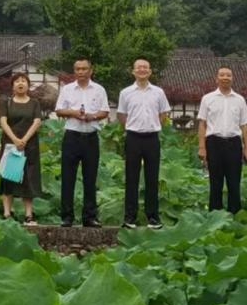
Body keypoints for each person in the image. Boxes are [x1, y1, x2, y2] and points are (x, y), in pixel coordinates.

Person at [116, 58, 171, 229]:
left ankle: (153, 217)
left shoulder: (158, 92)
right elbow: (121, 115)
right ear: (133, 71)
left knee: (152, 178)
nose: (142, 70)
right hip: (133, 137)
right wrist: (131, 128)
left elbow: (163, 113)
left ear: (150, 71)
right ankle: (130, 217)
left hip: (152, 138)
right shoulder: (125, 93)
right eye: (138, 67)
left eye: (145, 67)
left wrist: (154, 126)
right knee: (131, 178)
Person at [54, 58, 110, 227]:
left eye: (84, 69)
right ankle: (67, 216)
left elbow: (105, 111)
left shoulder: (99, 90)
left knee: (90, 178)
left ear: (91, 70)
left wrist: (92, 116)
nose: (81, 72)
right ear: (74, 71)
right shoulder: (67, 89)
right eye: (78, 69)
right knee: (68, 178)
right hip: (72, 136)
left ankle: (90, 216)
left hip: (91, 137)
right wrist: (73, 112)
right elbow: (58, 110)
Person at [197, 66, 247, 214]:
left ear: (232, 79)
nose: (225, 77)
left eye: (228, 75)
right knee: (215, 181)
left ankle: (235, 213)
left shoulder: (239, 100)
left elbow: (245, 125)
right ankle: (215, 214)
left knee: (234, 181)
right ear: (217, 78)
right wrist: (202, 147)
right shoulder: (207, 99)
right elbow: (202, 124)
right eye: (222, 75)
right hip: (214, 143)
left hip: (234, 143)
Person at [0, 72, 43, 224]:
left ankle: (29, 214)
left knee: (28, 179)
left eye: (23, 81)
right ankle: (6, 213)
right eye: (17, 81)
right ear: (12, 86)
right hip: (11, 145)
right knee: (8, 178)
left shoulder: (34, 103)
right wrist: (16, 140)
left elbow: (37, 122)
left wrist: (23, 139)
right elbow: (3, 122)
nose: (20, 83)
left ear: (28, 85)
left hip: (29, 145)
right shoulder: (6, 102)